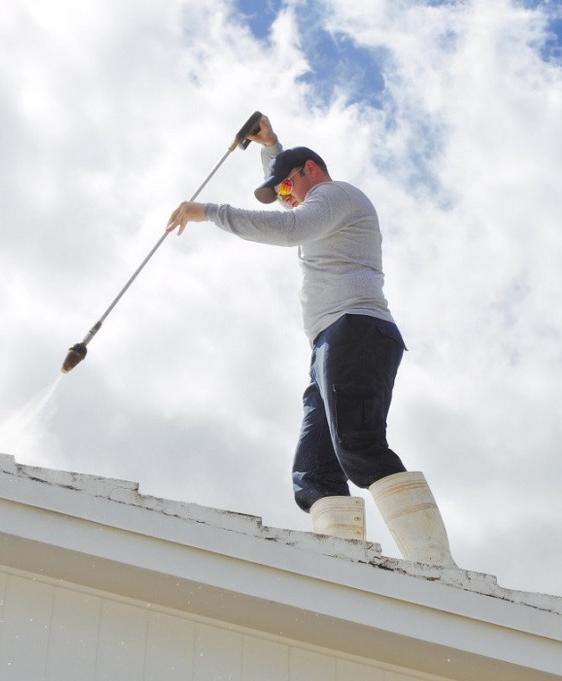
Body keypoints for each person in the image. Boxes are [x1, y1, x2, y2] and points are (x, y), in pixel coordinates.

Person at [165, 115, 456, 567]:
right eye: (280, 192)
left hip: (355, 329)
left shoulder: (335, 195)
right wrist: (272, 145)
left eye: (288, 186)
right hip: (329, 344)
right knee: (314, 473)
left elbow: (290, 228)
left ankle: (437, 567)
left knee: (358, 445)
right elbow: (291, 212)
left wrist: (209, 211)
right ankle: (346, 567)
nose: (286, 198)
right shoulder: (316, 203)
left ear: (312, 171)